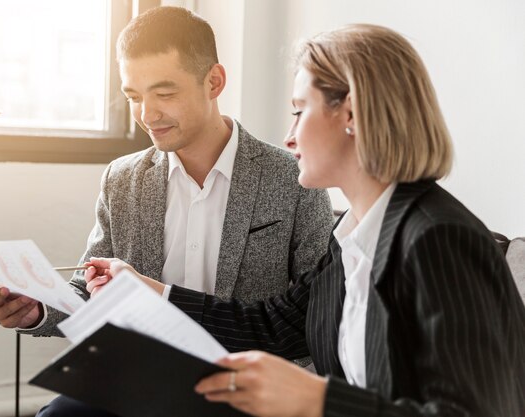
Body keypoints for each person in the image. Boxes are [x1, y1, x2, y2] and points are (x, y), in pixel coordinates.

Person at [86, 24, 525, 417]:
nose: (288, 135)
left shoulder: (439, 238)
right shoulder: (352, 236)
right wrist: (155, 292)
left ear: (350, 115)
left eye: (299, 110)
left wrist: (316, 399)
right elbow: (273, 325)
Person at [0, 6, 333, 417]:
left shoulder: (292, 176)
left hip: (246, 386)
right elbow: (88, 288)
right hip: (140, 378)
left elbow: (314, 316)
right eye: (133, 97)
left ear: (213, 82)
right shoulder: (122, 179)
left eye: (164, 93)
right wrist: (36, 309)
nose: (147, 114)